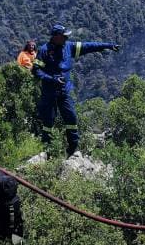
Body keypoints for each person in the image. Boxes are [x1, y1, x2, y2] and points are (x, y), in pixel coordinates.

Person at [32, 23, 118, 156]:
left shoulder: (69, 47)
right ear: (56, 36)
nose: (66, 38)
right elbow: (36, 71)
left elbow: (88, 46)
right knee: (48, 121)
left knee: (71, 118)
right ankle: (47, 150)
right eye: (64, 36)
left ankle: (72, 150)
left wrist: (107, 45)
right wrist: (51, 79)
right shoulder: (44, 51)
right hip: (49, 92)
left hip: (64, 91)